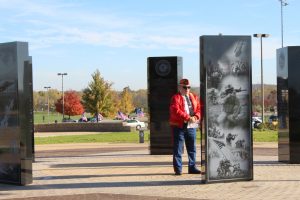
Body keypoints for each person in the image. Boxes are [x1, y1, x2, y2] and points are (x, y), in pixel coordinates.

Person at [169, 78, 202, 175]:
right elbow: (176, 111)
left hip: (191, 126)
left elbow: (199, 109)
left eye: (188, 87)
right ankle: (178, 169)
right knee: (178, 149)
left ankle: (192, 168)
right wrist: (188, 118)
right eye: (185, 87)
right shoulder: (175, 98)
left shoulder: (194, 97)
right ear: (180, 87)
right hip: (179, 127)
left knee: (192, 149)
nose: (187, 89)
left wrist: (196, 117)